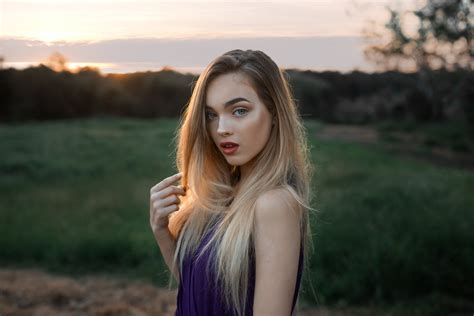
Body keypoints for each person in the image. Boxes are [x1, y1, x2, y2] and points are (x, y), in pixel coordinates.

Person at [149, 49, 315, 316]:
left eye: (239, 111)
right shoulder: (224, 193)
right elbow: (201, 291)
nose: (221, 128)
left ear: (274, 113)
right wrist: (161, 231)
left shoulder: (274, 204)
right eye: (211, 115)